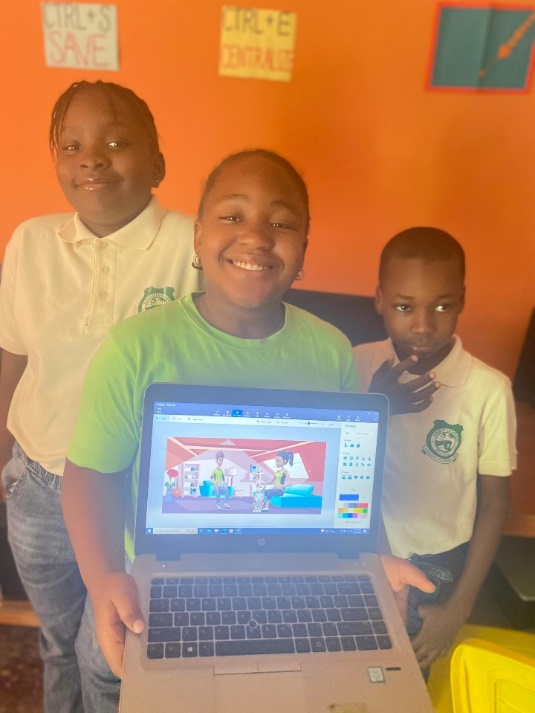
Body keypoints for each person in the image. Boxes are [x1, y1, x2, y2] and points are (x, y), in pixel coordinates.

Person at [61, 150, 434, 693]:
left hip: (305, 578)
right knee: (117, 677)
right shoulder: (135, 348)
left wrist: (373, 561)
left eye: (281, 223)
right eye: (232, 216)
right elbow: (91, 474)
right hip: (163, 582)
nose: (256, 237)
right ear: (197, 236)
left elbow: (347, 479)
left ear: (303, 248)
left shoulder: (330, 349)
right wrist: (104, 581)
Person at [0, 80, 201, 713]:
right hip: (36, 485)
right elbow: (13, 359)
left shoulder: (195, 246)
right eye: (72, 145)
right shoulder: (30, 242)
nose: (91, 158)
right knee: (58, 644)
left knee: (111, 659)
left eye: (116, 143)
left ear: (158, 163)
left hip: (134, 495)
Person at [353, 227, 517, 673]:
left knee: (411, 671)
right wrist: (376, 406)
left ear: (462, 300)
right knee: (354, 663)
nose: (423, 325)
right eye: (405, 307)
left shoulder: (488, 389)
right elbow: (335, 465)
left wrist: (459, 609)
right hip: (362, 545)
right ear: (380, 299)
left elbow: (495, 503)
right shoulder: (355, 364)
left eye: (442, 306)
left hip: (438, 560)